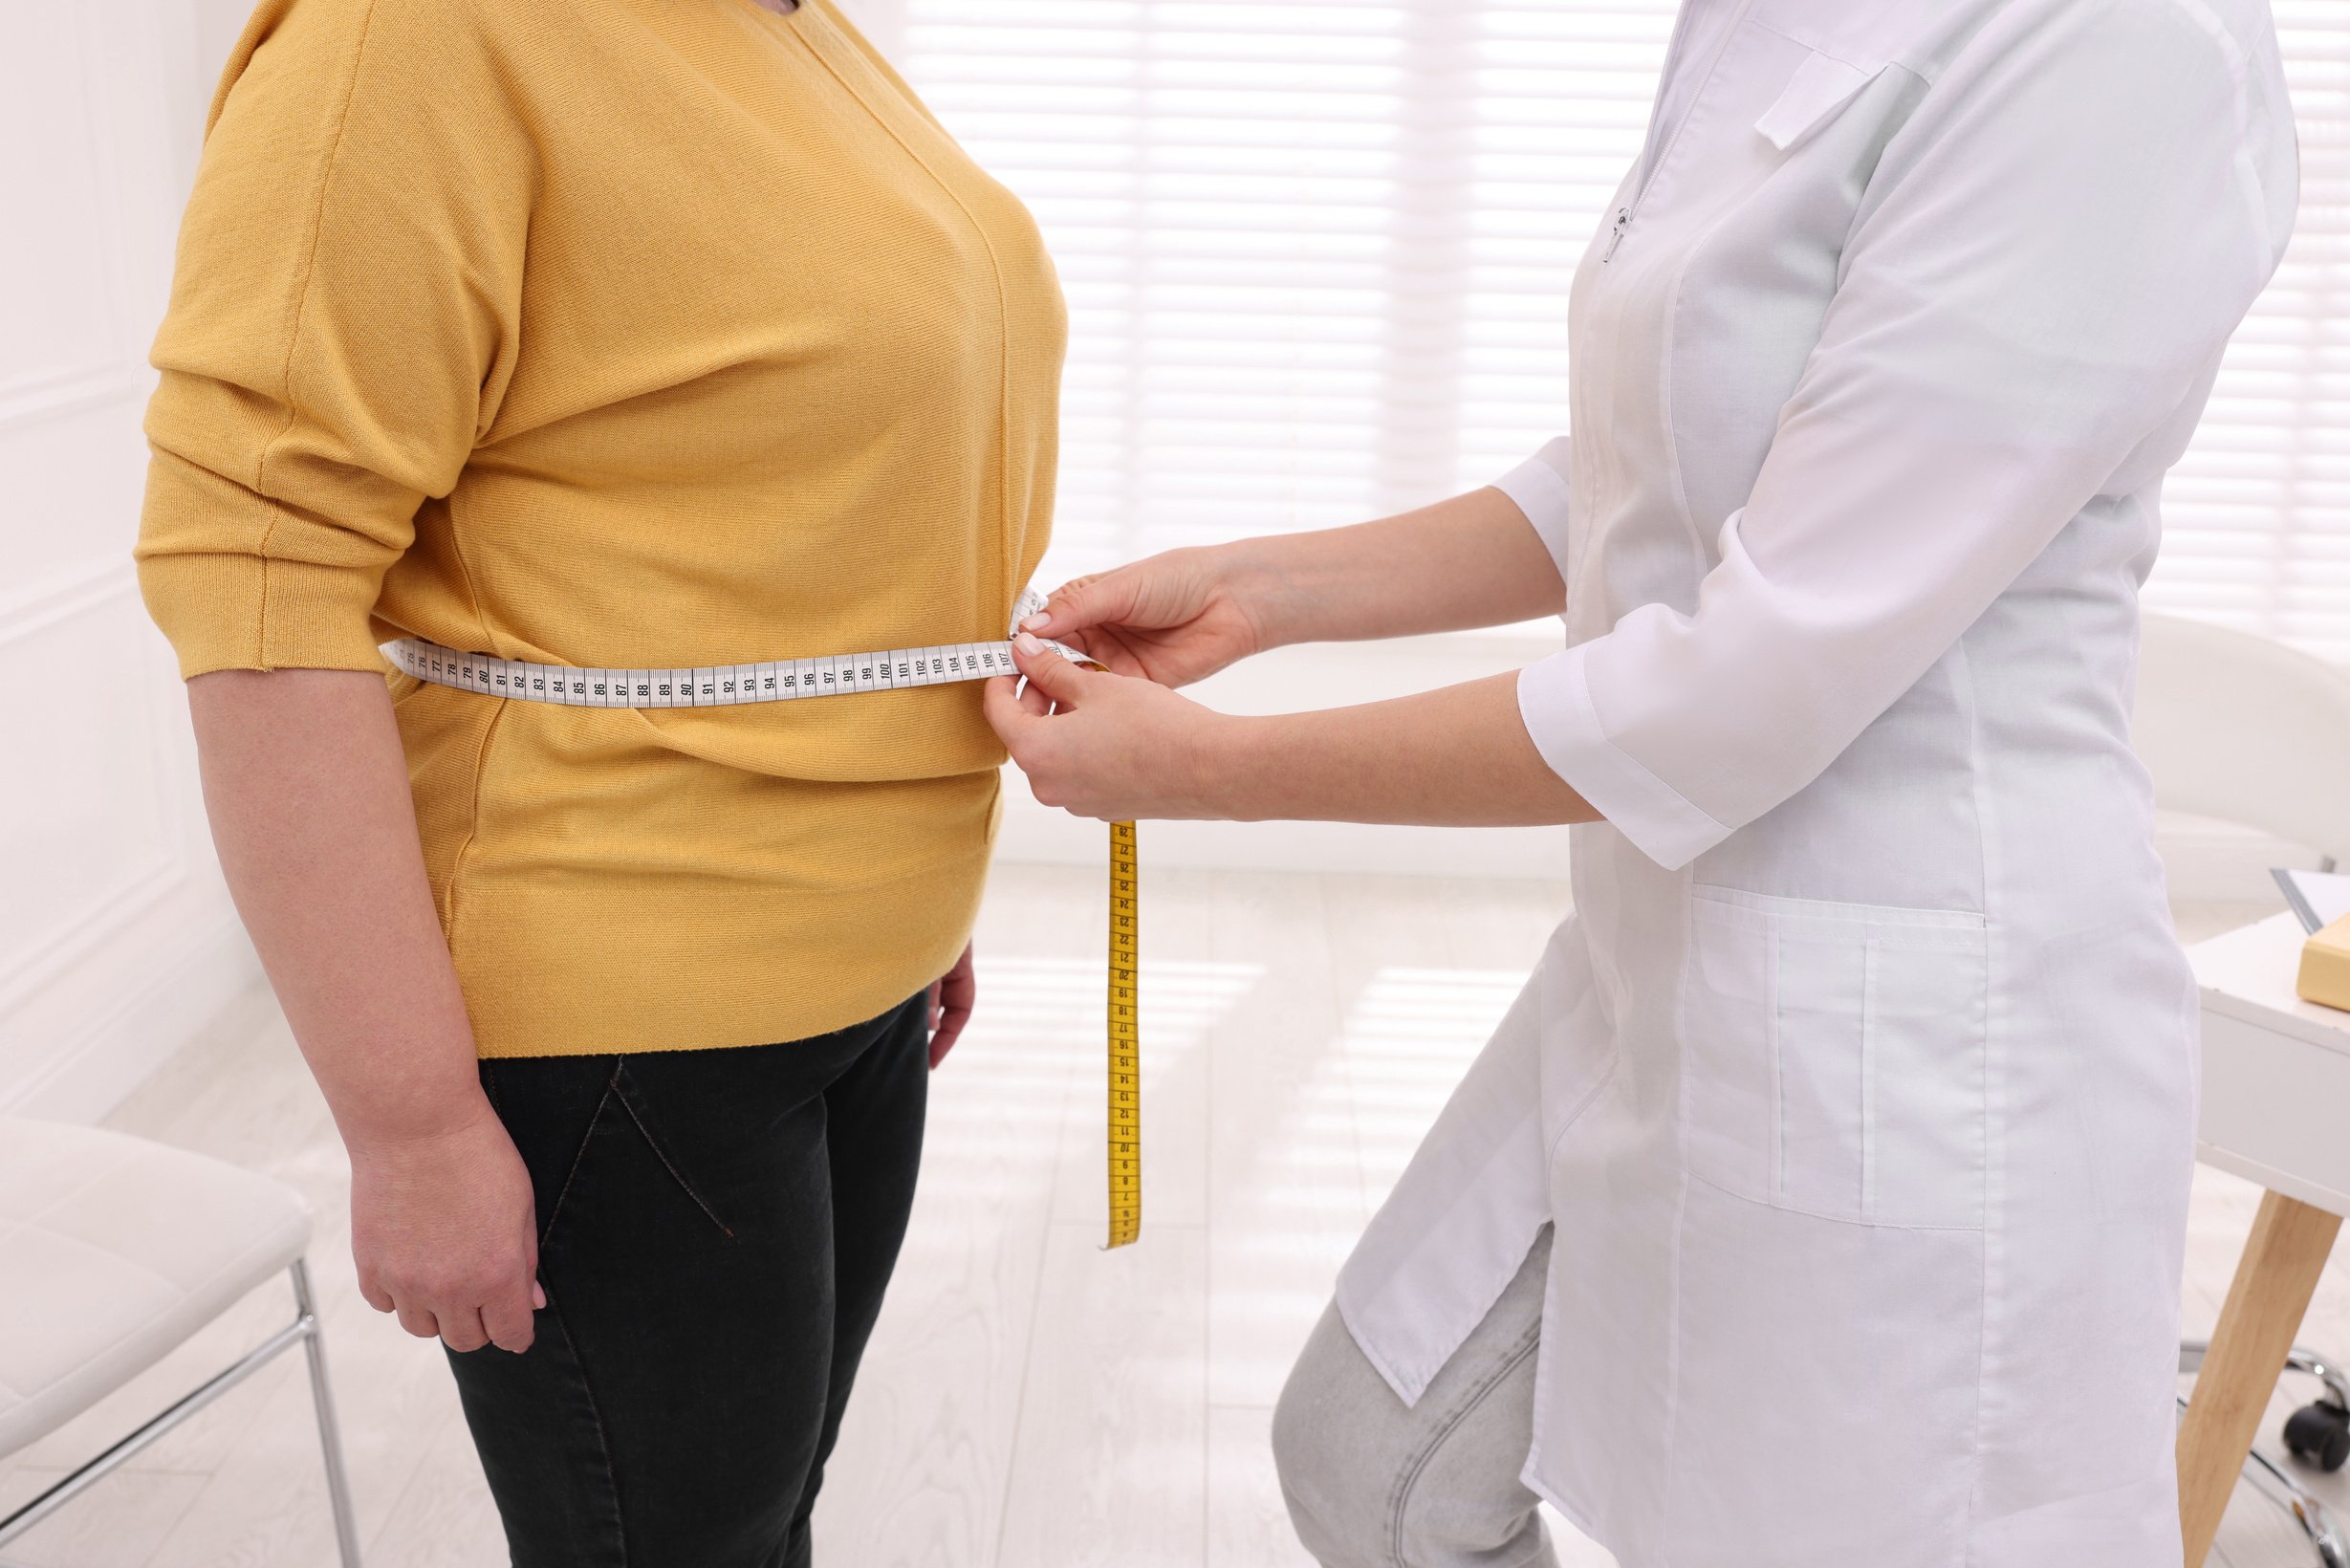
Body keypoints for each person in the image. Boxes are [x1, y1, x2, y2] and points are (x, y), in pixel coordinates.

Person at [984, 0, 2296, 1561]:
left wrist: (1216, 773)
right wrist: (1270, 592)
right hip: (1660, 952)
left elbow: (1740, 684)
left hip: (1911, 1035)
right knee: (1373, 1457)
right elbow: (1655, 454)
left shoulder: (2114, 48)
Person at [132, 0, 1064, 1561]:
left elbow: (766, 495)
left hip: (852, 966)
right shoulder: (411, 40)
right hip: (624, 992)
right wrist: (413, 1125)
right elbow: (258, 583)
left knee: (759, 1524)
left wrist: (891, 812)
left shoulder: (783, 26)